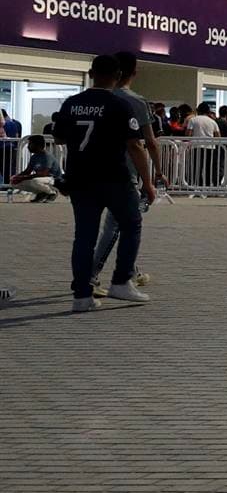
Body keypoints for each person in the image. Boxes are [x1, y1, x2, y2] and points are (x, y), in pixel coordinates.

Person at [53, 54, 157, 312]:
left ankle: (82, 295)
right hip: (114, 178)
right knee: (131, 224)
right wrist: (148, 181)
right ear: (118, 76)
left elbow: (59, 139)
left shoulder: (72, 103)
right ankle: (121, 281)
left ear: (90, 73)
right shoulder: (120, 106)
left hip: (80, 178)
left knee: (84, 236)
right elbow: (135, 145)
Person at [8, 134, 57, 199]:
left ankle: (52, 192)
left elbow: (44, 174)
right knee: (14, 183)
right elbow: (27, 171)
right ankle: (42, 193)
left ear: (38, 145)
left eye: (30, 144)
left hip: (53, 180)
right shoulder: (34, 157)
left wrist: (25, 177)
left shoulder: (47, 156)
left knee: (35, 181)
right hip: (42, 180)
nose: (28, 147)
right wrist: (17, 177)